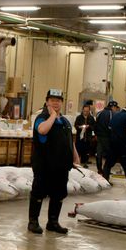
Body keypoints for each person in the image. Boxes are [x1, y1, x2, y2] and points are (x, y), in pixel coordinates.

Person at [28, 89, 80, 234]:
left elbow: (69, 139)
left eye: (58, 100)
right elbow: (42, 130)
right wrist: (52, 115)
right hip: (44, 164)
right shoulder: (42, 117)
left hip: (62, 165)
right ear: (47, 102)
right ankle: (33, 222)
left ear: (61, 102)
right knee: (39, 192)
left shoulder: (64, 121)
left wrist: (75, 155)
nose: (56, 103)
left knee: (59, 193)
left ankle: (53, 222)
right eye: (52, 100)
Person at [94, 100, 116, 175]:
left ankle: (99, 169)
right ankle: (106, 171)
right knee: (109, 154)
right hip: (107, 137)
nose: (115, 109)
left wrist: (96, 134)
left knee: (99, 153)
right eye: (115, 107)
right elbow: (111, 126)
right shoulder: (111, 113)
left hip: (99, 136)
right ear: (112, 107)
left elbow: (95, 124)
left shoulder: (100, 113)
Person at [74, 102, 96, 167]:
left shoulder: (91, 118)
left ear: (89, 111)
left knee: (87, 151)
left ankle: (85, 163)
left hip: (88, 138)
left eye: (87, 111)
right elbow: (76, 125)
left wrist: (89, 127)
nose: (85, 112)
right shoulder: (79, 117)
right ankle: (78, 162)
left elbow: (94, 126)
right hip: (80, 138)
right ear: (82, 110)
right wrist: (80, 127)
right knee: (79, 150)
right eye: (84, 111)